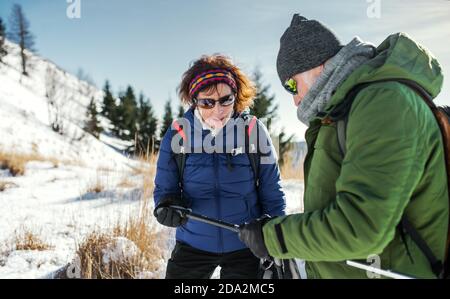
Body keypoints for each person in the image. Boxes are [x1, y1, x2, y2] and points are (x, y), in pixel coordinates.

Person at [239, 14, 449, 279]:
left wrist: (273, 237)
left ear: (321, 64)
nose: (294, 100)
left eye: (292, 84)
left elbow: (361, 227)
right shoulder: (341, 112)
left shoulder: (384, 101)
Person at [153, 54, 286, 279]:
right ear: (195, 101)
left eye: (226, 99)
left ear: (236, 97)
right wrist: (167, 206)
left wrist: (275, 235)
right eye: (207, 102)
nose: (219, 110)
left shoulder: (252, 130)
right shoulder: (179, 133)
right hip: (193, 243)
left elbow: (271, 188)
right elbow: (166, 188)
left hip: (245, 244)